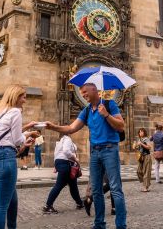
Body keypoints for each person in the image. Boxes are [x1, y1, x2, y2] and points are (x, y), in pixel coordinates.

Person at [45, 83, 127, 229]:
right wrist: (53, 127)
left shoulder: (110, 104)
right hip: (94, 153)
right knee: (96, 190)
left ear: (94, 90)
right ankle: (99, 224)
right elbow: (71, 128)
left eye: (85, 92)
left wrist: (106, 115)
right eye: (81, 93)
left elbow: (121, 126)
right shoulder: (87, 110)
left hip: (109, 150)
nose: (83, 95)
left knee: (115, 188)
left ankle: (121, 225)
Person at [0, 85, 38, 229]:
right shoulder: (15, 112)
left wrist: (23, 137)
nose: (25, 100)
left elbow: (5, 135)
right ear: (16, 96)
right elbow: (16, 140)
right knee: (0, 207)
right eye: (23, 97)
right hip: (4, 157)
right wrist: (27, 136)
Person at [42, 135, 83, 213]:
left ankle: (80, 203)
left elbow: (57, 155)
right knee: (59, 185)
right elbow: (66, 151)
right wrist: (75, 159)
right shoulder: (67, 139)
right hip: (66, 164)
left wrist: (56, 165)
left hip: (63, 163)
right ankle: (48, 206)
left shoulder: (60, 141)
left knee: (73, 185)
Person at [135, 128, 152, 192]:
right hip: (141, 157)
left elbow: (149, 147)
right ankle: (146, 183)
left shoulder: (146, 139)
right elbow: (138, 148)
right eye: (139, 132)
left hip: (147, 156)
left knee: (146, 172)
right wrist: (136, 146)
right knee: (139, 171)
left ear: (144, 132)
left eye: (141, 132)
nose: (140, 133)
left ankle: (145, 187)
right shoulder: (139, 139)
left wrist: (141, 144)